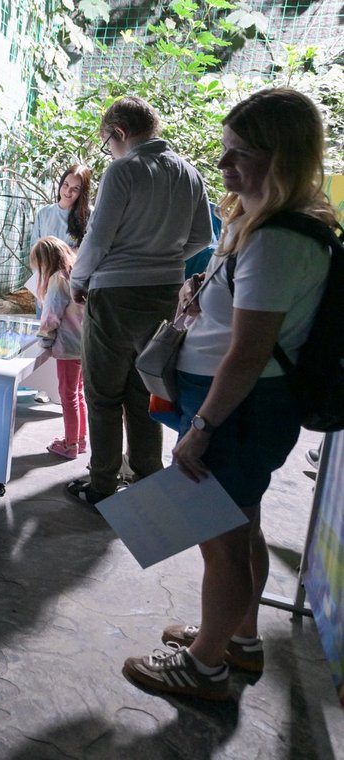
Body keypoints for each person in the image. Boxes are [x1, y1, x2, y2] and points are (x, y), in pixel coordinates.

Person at [122, 88, 336, 700]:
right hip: (243, 408)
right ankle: (237, 639)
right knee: (242, 531)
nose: (223, 167)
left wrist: (203, 428)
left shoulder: (277, 238)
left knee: (221, 548)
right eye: (225, 152)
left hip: (237, 411)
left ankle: (204, 666)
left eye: (240, 154)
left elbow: (247, 353)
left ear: (284, 157)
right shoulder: (267, 223)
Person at [67, 96, 213, 505]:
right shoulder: (190, 173)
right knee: (146, 389)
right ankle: (147, 477)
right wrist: (163, 261)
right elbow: (203, 237)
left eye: (107, 142)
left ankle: (101, 486)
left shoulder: (123, 170)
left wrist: (79, 279)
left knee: (102, 395)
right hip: (166, 293)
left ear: (120, 133)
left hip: (114, 295)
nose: (109, 150)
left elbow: (97, 240)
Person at [31, 236, 87, 458]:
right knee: (77, 393)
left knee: (68, 396)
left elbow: (51, 314)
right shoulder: (74, 273)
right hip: (83, 344)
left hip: (68, 346)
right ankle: (79, 440)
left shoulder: (57, 279)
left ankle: (70, 445)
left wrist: (44, 339)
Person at [25, 164, 93, 308]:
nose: (68, 191)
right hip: (44, 284)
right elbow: (34, 249)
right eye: (65, 185)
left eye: (75, 188)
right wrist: (43, 280)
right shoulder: (44, 213)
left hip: (73, 287)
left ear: (83, 192)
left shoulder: (90, 215)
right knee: (45, 326)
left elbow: (90, 253)